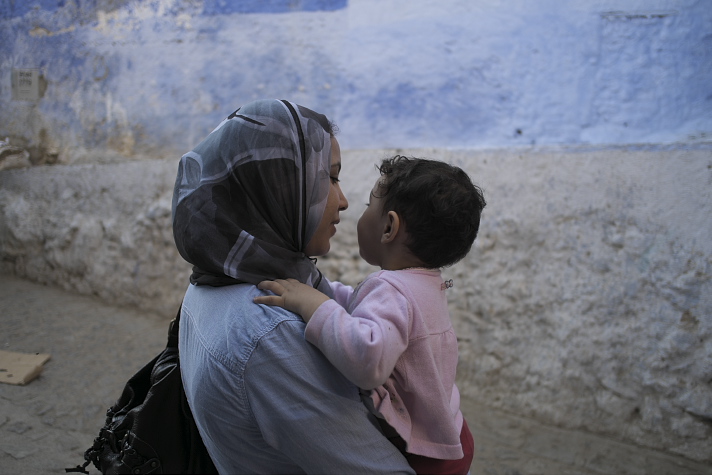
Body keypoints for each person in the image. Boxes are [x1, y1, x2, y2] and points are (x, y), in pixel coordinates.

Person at [172, 99, 415, 474]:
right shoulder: (270, 331)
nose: (345, 201)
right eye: (330, 177)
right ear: (279, 188)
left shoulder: (210, 282)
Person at [255, 155, 486, 475]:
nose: (356, 210)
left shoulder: (392, 287)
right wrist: (323, 290)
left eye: (368, 205)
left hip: (423, 454)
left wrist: (312, 305)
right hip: (452, 435)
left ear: (389, 226)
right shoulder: (427, 284)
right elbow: (365, 310)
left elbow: (368, 360)